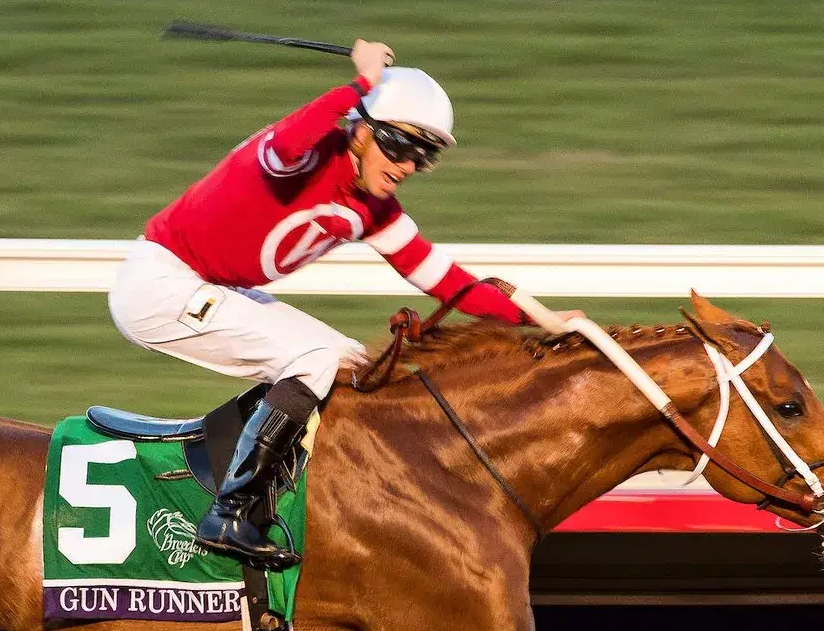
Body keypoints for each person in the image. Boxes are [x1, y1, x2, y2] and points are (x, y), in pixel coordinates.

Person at [110, 40, 585, 570]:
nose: (408, 165)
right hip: (160, 285)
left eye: (423, 157)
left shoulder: (376, 210)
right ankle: (231, 512)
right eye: (399, 146)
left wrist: (542, 319)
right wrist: (362, 84)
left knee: (350, 362)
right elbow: (291, 140)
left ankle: (283, 494)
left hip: (212, 287)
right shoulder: (302, 160)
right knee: (311, 359)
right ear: (361, 131)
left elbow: (448, 283)